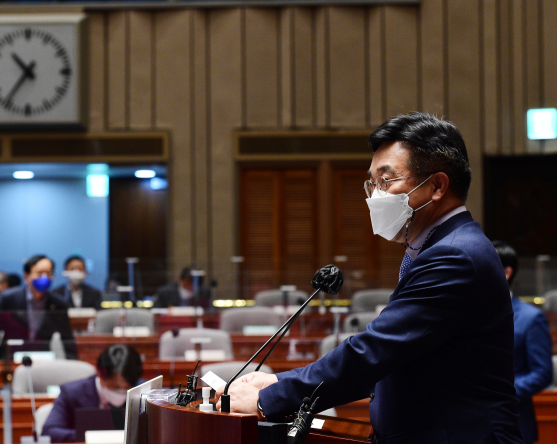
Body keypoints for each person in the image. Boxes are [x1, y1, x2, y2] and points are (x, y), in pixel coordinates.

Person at [216, 112, 523, 443]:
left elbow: (374, 352)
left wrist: (268, 399)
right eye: (372, 183)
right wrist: (277, 382)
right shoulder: (441, 247)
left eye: (386, 181)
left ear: (436, 186)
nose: (375, 195)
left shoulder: (455, 256)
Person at [493, 240, 553, 444]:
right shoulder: (470, 313)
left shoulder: (531, 318)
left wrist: (501, 393)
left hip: (514, 423)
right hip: (472, 424)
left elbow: (542, 372)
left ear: (506, 272)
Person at [0, 255, 77, 360]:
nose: (44, 277)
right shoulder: (8, 298)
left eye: (49, 273)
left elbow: (67, 340)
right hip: (10, 359)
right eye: (39, 273)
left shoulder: (58, 303)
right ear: (26, 276)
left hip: (43, 360)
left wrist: (73, 364)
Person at [42, 344, 143, 442]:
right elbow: (49, 431)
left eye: (126, 388)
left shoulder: (144, 391)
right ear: (100, 374)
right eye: (115, 387)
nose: (121, 392)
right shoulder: (72, 393)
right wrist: (93, 436)